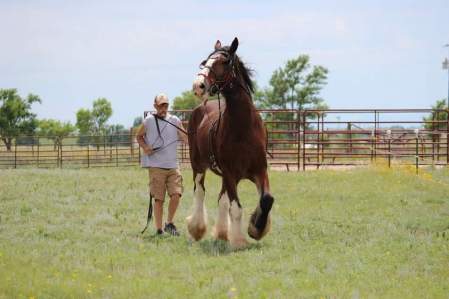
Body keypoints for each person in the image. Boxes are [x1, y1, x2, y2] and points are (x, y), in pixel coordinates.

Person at [136, 93, 188, 236]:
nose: (163, 108)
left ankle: (169, 223)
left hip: (173, 166)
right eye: (160, 105)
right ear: (155, 106)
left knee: (176, 194)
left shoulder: (175, 120)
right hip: (156, 166)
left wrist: (192, 139)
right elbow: (138, 136)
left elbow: (184, 137)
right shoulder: (149, 121)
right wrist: (145, 147)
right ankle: (159, 230)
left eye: (165, 105)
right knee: (159, 199)